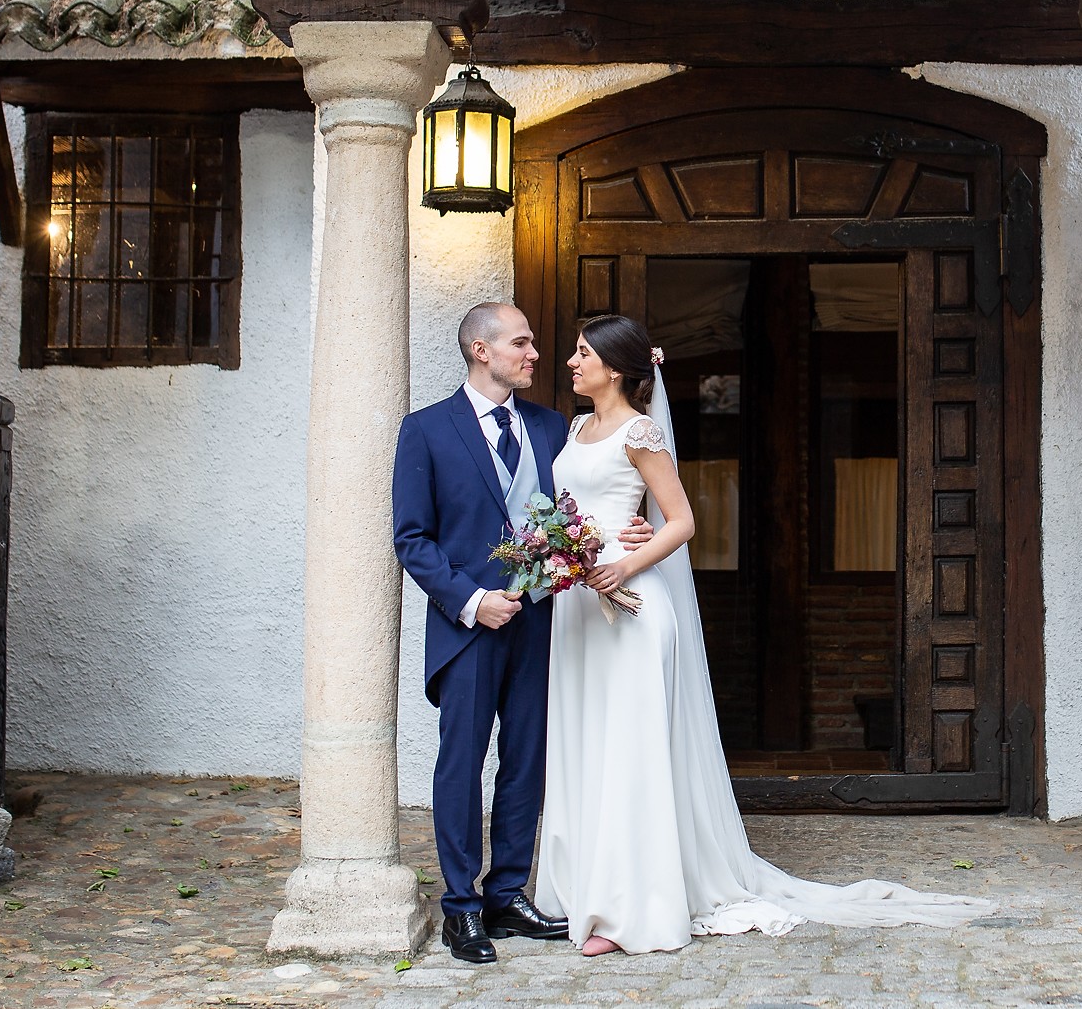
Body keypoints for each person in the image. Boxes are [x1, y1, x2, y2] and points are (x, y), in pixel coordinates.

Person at [536, 313, 995, 956]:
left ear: (615, 368)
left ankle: (631, 907)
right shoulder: (577, 427)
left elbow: (682, 520)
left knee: (632, 750)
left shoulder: (641, 432)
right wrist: (557, 551)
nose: (571, 362)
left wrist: (622, 563)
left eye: (581, 352)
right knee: (589, 741)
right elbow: (571, 508)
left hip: (631, 603)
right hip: (579, 604)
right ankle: (584, 886)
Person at [391, 302, 653, 964]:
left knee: (528, 760)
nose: (535, 353)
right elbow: (412, 539)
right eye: (522, 342)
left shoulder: (552, 427)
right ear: (480, 349)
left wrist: (637, 528)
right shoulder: (425, 430)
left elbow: (589, 501)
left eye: (535, 343)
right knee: (461, 762)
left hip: (544, 620)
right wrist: (473, 600)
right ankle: (462, 908)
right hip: (470, 626)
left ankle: (508, 892)